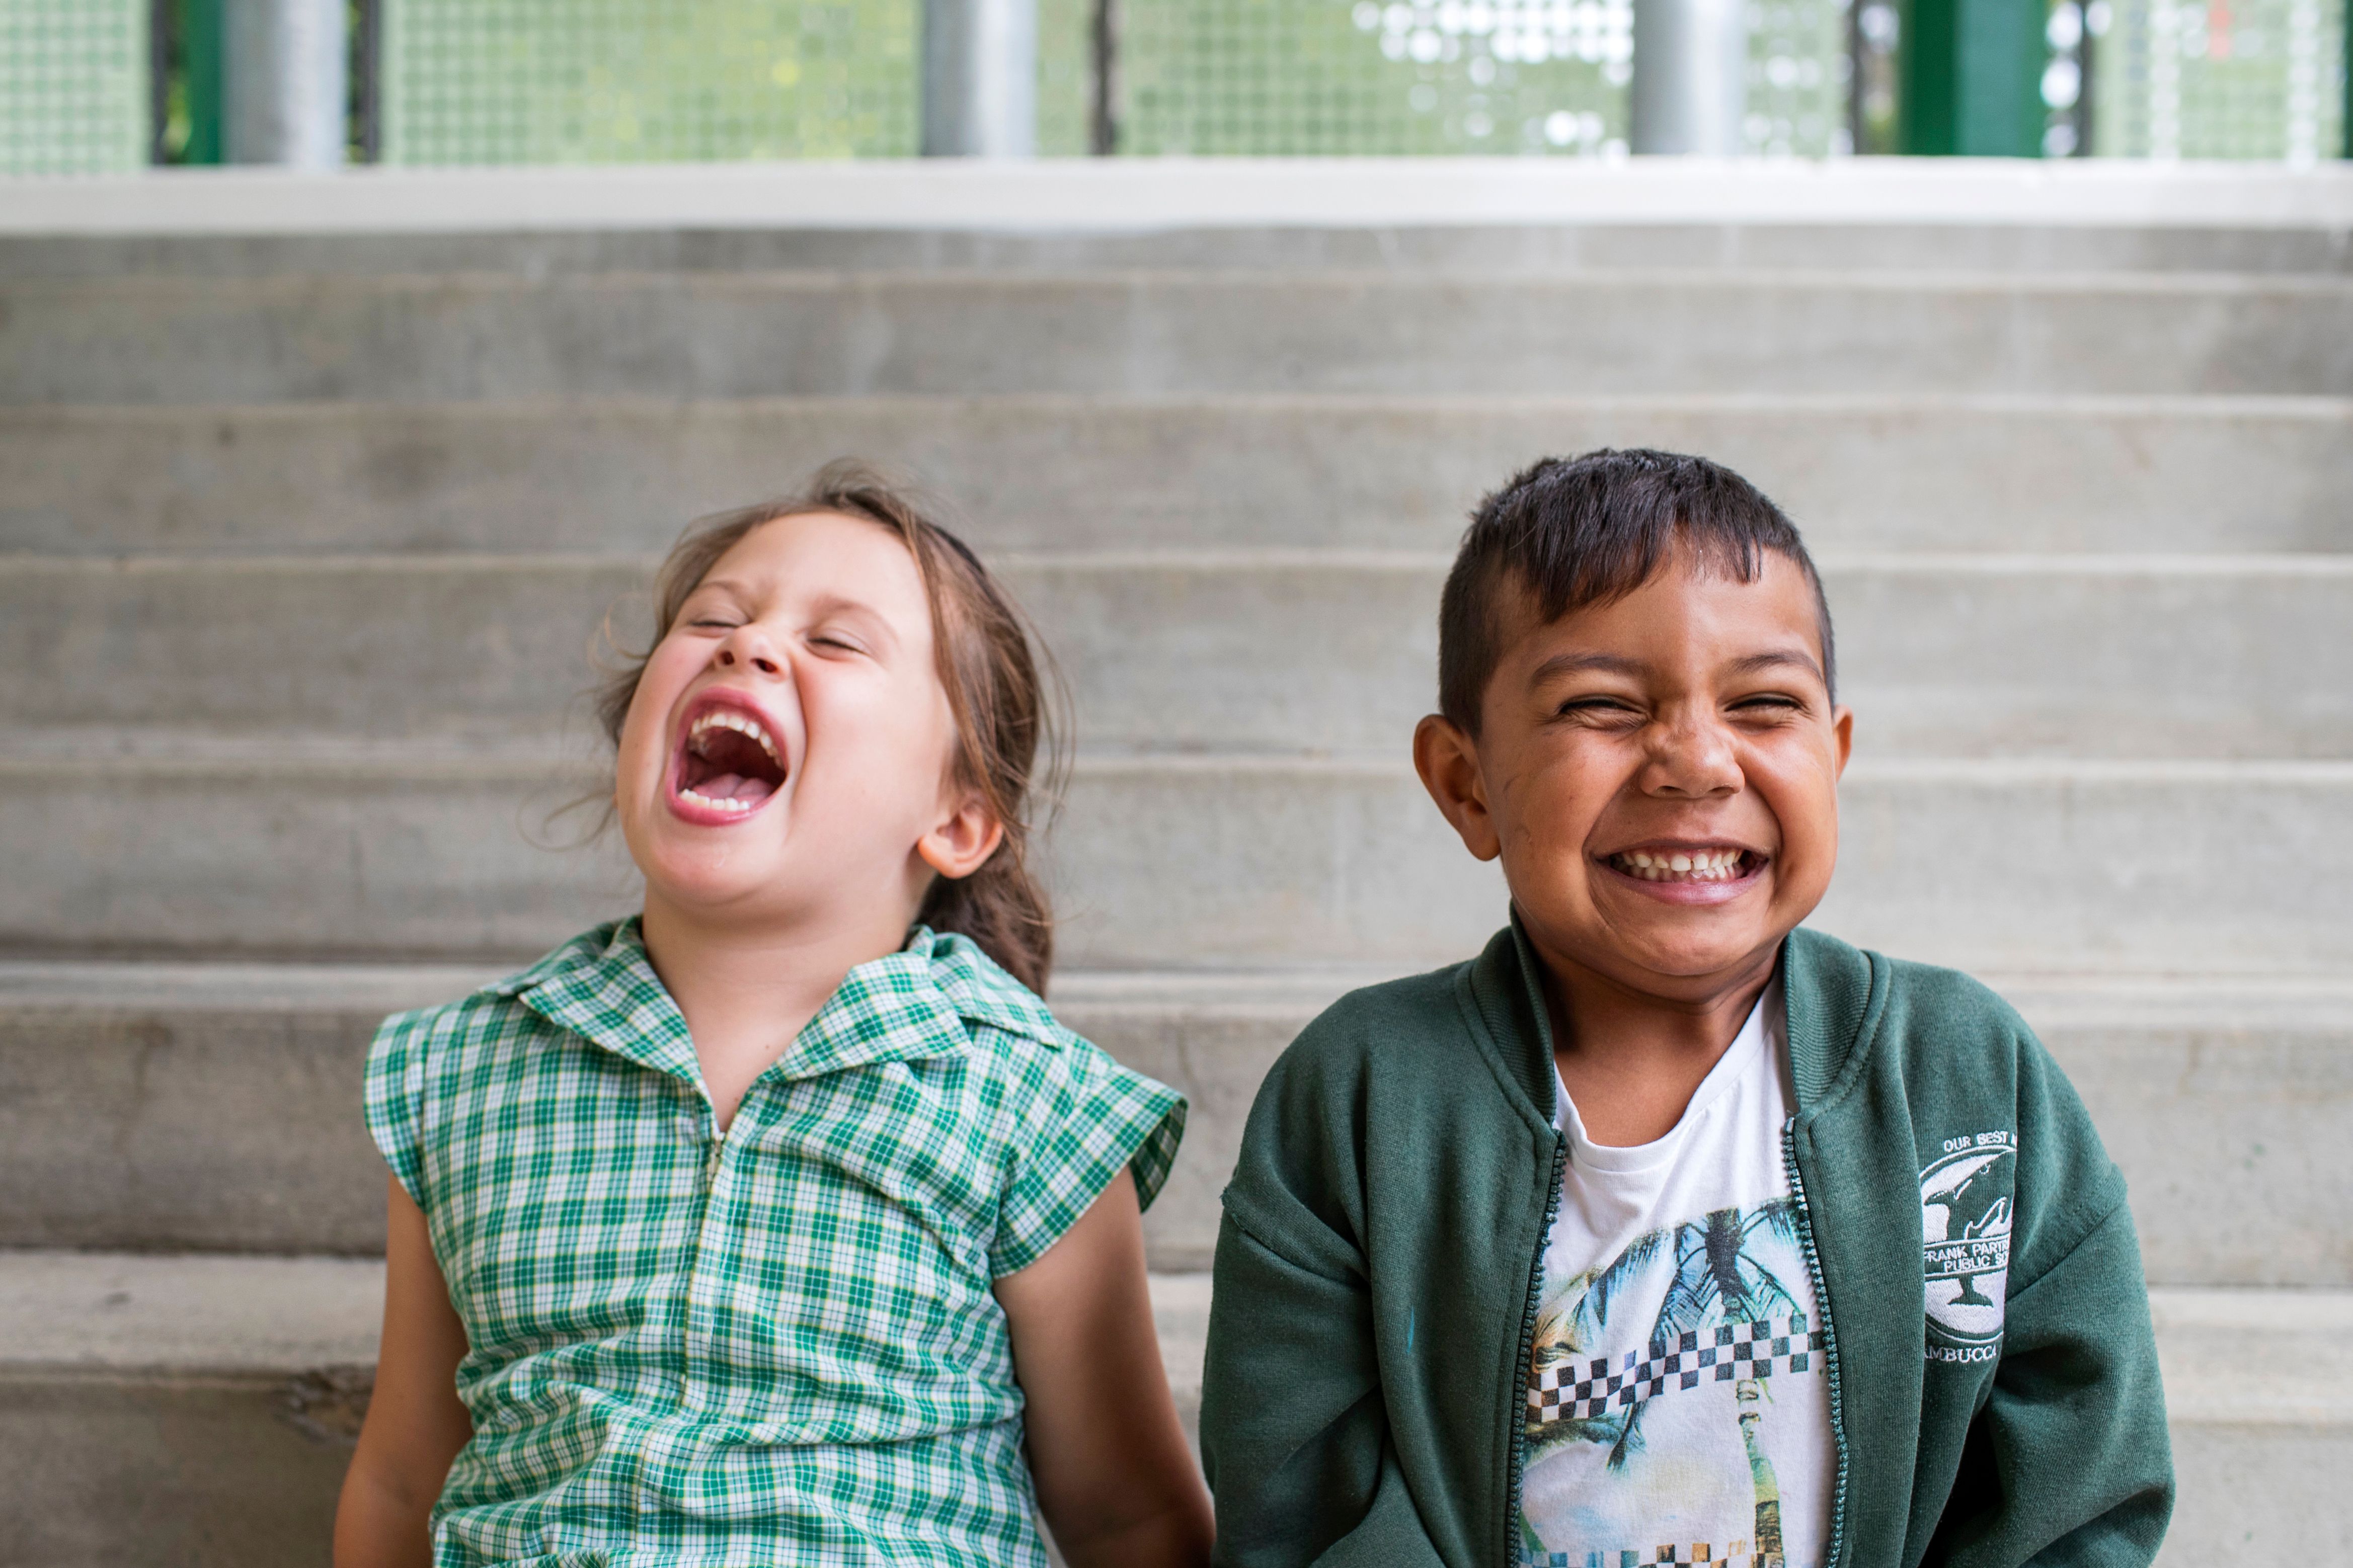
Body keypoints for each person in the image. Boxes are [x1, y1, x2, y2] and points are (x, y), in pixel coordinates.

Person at [1198, 449, 2172, 1568]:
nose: (1697, 761)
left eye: (1763, 704)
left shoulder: (1964, 1071)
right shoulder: (1362, 1092)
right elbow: (1301, 1501)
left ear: (1833, 754)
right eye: (1602, 706)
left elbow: (2077, 1487)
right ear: (1465, 782)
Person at [336, 463, 1213, 1568]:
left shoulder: (1028, 1103)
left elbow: (1129, 1514)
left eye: (838, 642)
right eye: (713, 618)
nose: (746, 646)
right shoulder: (464, 1073)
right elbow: (404, 1470)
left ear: (956, 816)